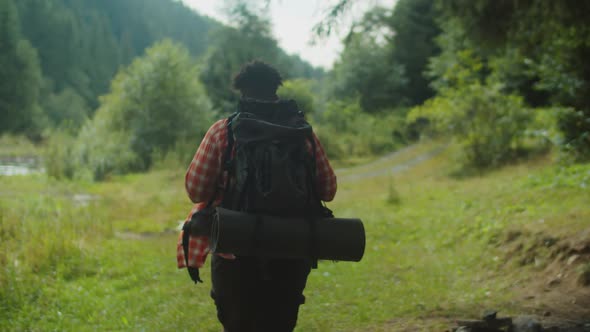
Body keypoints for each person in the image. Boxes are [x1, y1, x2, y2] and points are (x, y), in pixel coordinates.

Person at [177, 60, 337, 332]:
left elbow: (196, 191)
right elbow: (328, 191)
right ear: (276, 90)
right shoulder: (302, 133)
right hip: (291, 247)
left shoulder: (223, 131)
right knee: (281, 323)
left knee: (238, 323)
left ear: (242, 91)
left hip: (234, 248)